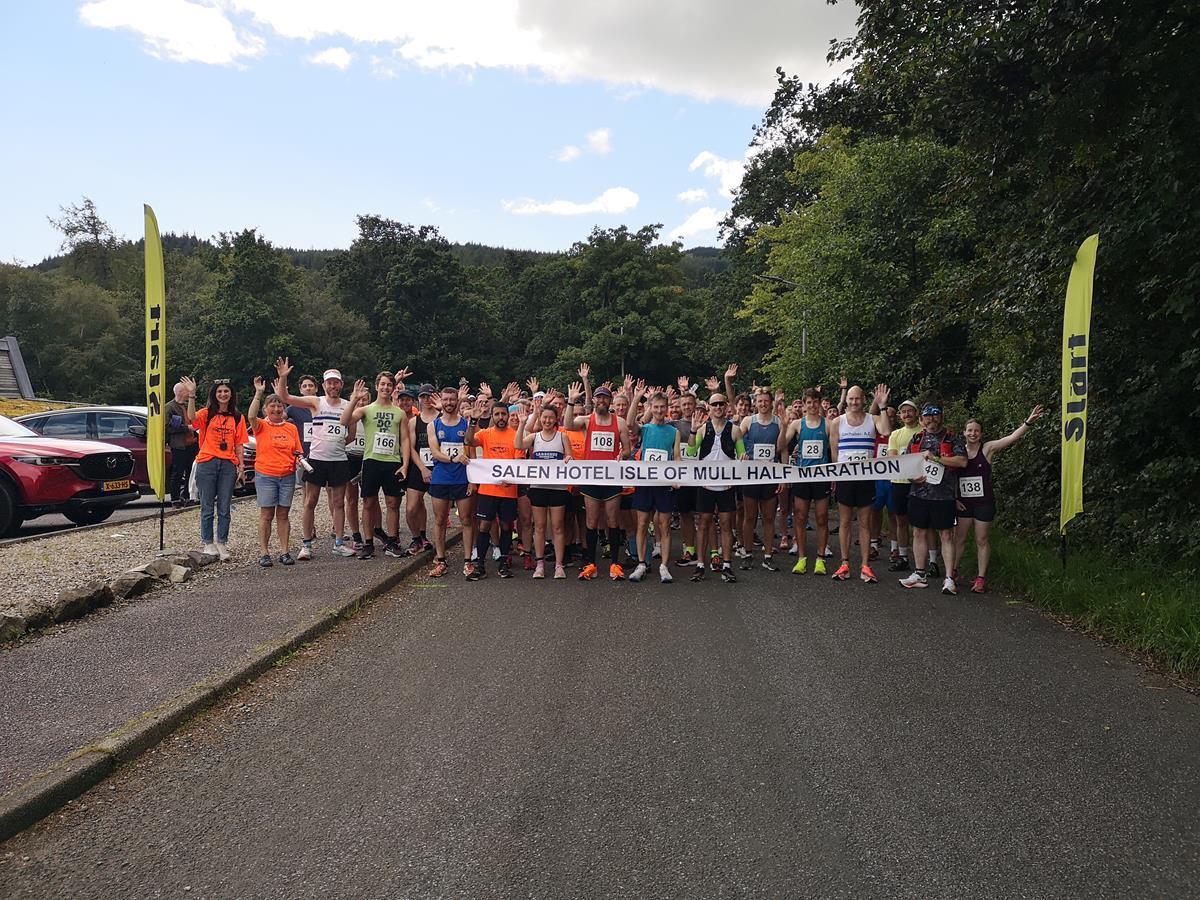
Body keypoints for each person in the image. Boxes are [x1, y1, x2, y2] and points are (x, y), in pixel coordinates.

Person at [955, 405, 1043, 593]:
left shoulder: (987, 449)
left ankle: (980, 579)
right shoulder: (958, 451)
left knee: (982, 539)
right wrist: (954, 498)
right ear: (964, 432)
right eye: (970, 430)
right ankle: (952, 572)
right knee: (959, 538)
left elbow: (1011, 438)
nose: (973, 433)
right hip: (963, 502)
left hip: (984, 502)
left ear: (981, 433)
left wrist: (1028, 422)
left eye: (976, 430)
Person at [275, 358, 355, 559]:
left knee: (338, 502)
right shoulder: (315, 401)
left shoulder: (348, 405)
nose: (333, 386)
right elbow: (284, 396)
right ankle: (306, 544)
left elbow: (351, 435)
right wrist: (283, 377)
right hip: (317, 459)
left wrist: (336, 443)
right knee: (310, 501)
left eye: (336, 382)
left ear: (341, 385)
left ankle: (338, 542)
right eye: (329, 382)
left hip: (338, 460)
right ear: (324, 385)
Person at [565, 364, 632, 582]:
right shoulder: (586, 421)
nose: (602, 401)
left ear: (610, 401)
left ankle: (614, 563)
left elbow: (628, 448)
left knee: (613, 520)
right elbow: (567, 424)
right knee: (591, 521)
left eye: (605, 398)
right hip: (591, 478)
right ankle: (590, 563)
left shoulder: (619, 422)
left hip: (611, 478)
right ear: (594, 400)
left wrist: (624, 455)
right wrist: (571, 401)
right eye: (599, 398)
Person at [898, 401, 968, 594]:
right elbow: (905, 463)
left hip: (944, 495)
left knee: (946, 535)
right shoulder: (916, 438)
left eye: (935, 415)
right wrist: (913, 475)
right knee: (918, 532)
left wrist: (936, 458)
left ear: (942, 417)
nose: (931, 419)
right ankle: (919, 573)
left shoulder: (952, 438)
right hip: (919, 493)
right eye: (927, 415)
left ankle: (949, 579)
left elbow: (962, 461)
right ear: (921, 419)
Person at [340, 373, 410, 560]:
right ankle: (368, 542)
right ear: (377, 386)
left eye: (389, 385)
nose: (386, 388)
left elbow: (404, 440)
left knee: (393, 503)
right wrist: (354, 399)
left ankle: (393, 542)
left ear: (393, 388)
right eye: (383, 384)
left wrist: (405, 465)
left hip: (392, 462)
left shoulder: (399, 413)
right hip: (371, 461)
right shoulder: (367, 409)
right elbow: (344, 421)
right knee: (369, 503)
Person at [828, 383, 891, 583]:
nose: (854, 402)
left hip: (866, 479)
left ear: (864, 400)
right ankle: (845, 563)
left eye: (858, 398)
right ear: (846, 401)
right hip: (846, 478)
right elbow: (834, 452)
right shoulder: (838, 422)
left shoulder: (873, 419)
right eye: (851, 399)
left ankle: (865, 565)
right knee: (845, 522)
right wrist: (834, 476)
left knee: (865, 524)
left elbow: (887, 431)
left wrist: (882, 405)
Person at [187, 378, 249, 561]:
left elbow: (239, 445)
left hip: (228, 464)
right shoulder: (207, 413)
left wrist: (241, 466)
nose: (223, 394)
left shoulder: (237, 417)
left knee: (224, 506)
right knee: (207, 505)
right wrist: (191, 395)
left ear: (231, 394)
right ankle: (208, 542)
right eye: (219, 391)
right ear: (214, 394)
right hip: (207, 462)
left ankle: (222, 541)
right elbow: (191, 418)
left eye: (226, 391)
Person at [247, 377, 304, 567]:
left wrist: (299, 459)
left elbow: (297, 451)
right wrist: (258, 393)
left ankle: (285, 551)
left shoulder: (291, 428)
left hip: (286, 475)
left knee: (283, 514)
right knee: (266, 514)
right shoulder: (261, 426)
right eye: (272, 407)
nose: (277, 410)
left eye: (279, 407)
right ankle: (264, 552)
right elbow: (251, 417)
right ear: (266, 410)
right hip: (266, 475)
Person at [466, 386, 521, 580]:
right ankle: (480, 563)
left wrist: (511, 478)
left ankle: (504, 563)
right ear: (493, 415)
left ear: (508, 416)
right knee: (484, 526)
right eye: (497, 414)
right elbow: (469, 441)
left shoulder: (515, 435)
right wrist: (472, 420)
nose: (500, 417)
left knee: (506, 527)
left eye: (503, 414)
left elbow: (519, 462)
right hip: (488, 489)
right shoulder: (486, 433)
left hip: (508, 490)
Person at [516, 396, 573, 579]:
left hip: (558, 488)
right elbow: (518, 445)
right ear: (540, 418)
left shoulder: (563, 437)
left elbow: (570, 457)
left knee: (557, 527)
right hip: (538, 487)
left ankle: (558, 565)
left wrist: (568, 459)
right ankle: (539, 564)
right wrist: (522, 424)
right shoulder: (534, 437)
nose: (547, 421)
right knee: (539, 526)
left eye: (551, 418)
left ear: (557, 419)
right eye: (544, 418)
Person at [688, 393, 742, 583]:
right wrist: (693, 432)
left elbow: (742, 453)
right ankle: (700, 564)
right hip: (706, 485)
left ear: (726, 406)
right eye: (714, 404)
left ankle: (727, 565)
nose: (718, 407)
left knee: (727, 525)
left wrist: (744, 457)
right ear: (709, 408)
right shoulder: (703, 429)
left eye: (721, 404)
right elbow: (692, 451)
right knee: (703, 524)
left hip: (726, 485)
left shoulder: (735, 430)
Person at [628, 390, 680, 583]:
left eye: (662, 407)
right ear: (651, 407)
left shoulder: (674, 432)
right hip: (645, 483)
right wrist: (635, 398)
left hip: (664, 484)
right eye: (655, 407)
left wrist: (676, 476)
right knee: (642, 524)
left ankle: (664, 566)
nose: (659, 410)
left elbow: (676, 457)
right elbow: (629, 424)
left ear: (667, 409)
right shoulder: (646, 429)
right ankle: (641, 564)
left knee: (664, 525)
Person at [427, 386, 475, 578]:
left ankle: (468, 561)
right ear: (442, 402)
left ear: (457, 401)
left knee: (466, 520)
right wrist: (454, 459)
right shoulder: (434, 425)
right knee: (439, 520)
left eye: (452, 399)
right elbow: (435, 452)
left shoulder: (465, 424)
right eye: (445, 399)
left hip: (462, 479)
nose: (448, 403)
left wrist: (473, 480)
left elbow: (471, 453)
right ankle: (440, 560)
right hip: (441, 478)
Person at [782, 388, 831, 576]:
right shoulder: (797, 424)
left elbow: (833, 451)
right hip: (802, 477)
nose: (812, 405)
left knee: (822, 517)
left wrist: (835, 476)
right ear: (803, 405)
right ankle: (802, 558)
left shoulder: (828, 425)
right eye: (808, 402)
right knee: (800, 516)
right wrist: (784, 428)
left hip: (822, 477)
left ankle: (820, 558)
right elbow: (781, 445)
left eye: (815, 402)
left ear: (819, 403)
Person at [738, 389, 783, 571]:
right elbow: (736, 439)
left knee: (769, 517)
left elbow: (783, 449)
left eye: (766, 401)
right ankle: (747, 554)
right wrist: (740, 453)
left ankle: (768, 555)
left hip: (770, 475)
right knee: (749, 516)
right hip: (751, 475)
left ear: (771, 403)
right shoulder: (749, 421)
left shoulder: (778, 422)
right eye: (760, 401)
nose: (763, 404)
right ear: (755, 403)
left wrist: (784, 476)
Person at [886, 400, 923, 573]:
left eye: (910, 411)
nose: (907, 414)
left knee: (921, 523)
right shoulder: (895, 434)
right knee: (901, 520)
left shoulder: (924, 432)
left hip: (921, 482)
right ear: (900, 416)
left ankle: (928, 561)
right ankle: (903, 557)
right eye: (904, 412)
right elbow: (893, 457)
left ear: (916, 413)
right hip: (899, 482)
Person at [403, 384, 439, 555]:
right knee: (411, 508)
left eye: (430, 396)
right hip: (419, 466)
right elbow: (411, 448)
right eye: (423, 397)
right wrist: (423, 469)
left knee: (439, 511)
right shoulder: (413, 421)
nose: (427, 400)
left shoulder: (442, 418)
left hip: (440, 466)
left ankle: (428, 538)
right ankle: (416, 538)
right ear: (419, 399)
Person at [165, 378, 198, 506]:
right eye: (187, 390)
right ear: (180, 392)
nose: (189, 392)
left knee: (191, 472)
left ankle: (187, 497)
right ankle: (175, 499)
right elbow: (167, 427)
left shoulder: (188, 406)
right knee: (177, 472)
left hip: (192, 443)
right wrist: (186, 428)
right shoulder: (169, 407)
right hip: (179, 445)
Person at [286, 373, 319, 491]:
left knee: (330, 490)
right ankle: (307, 510)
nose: (308, 388)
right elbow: (278, 419)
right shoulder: (293, 408)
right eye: (304, 386)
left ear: (316, 388)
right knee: (306, 489)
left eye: (310, 385)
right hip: (303, 455)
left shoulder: (323, 404)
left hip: (322, 453)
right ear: (300, 390)